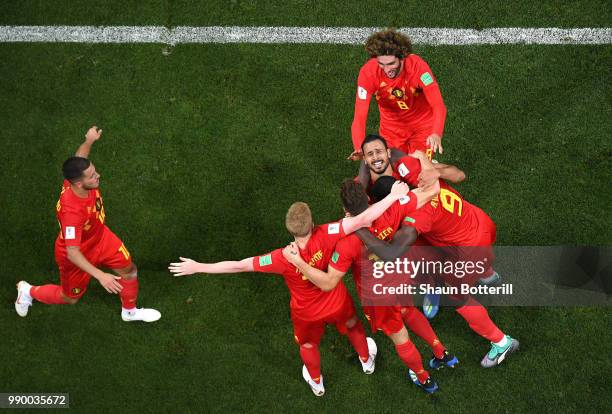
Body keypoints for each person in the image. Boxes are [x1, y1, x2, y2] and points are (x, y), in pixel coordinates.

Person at [169, 181, 409, 397]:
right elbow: (363, 219)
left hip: (306, 313)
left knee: (307, 345)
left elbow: (239, 266)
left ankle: (317, 382)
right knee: (353, 326)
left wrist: (197, 266)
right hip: (336, 300)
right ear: (312, 224)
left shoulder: (279, 258)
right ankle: (366, 361)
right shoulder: (327, 233)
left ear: (291, 230)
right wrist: (393, 196)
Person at [283, 178, 454, 394]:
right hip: (400, 278)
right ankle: (441, 352)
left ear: (346, 209)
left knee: (400, 337)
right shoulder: (392, 208)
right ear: (366, 197)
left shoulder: (345, 242)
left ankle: (423, 378)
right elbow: (433, 189)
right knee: (409, 311)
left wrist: (298, 262)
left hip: (379, 298)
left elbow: (329, 282)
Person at [356, 176, 519, 368]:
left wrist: (359, 229)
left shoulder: (415, 218)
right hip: (480, 224)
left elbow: (391, 253)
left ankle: (502, 343)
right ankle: (488, 275)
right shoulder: (429, 183)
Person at [15, 126, 161, 323]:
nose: (98, 175)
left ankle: (130, 312)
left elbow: (80, 157)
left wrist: (89, 140)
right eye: (92, 176)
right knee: (70, 298)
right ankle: (27, 291)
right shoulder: (72, 213)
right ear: (78, 184)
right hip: (77, 254)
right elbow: (73, 252)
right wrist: (101, 276)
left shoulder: (74, 179)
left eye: (94, 171)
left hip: (100, 238)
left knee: (130, 271)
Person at [349, 29, 447, 161]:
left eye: (391, 64)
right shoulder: (368, 73)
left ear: (402, 57)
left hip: (423, 127)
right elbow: (360, 116)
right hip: (391, 131)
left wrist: (436, 133)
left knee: (417, 171)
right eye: (381, 64)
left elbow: (438, 105)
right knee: (392, 173)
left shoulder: (418, 68)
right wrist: (359, 147)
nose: (387, 70)